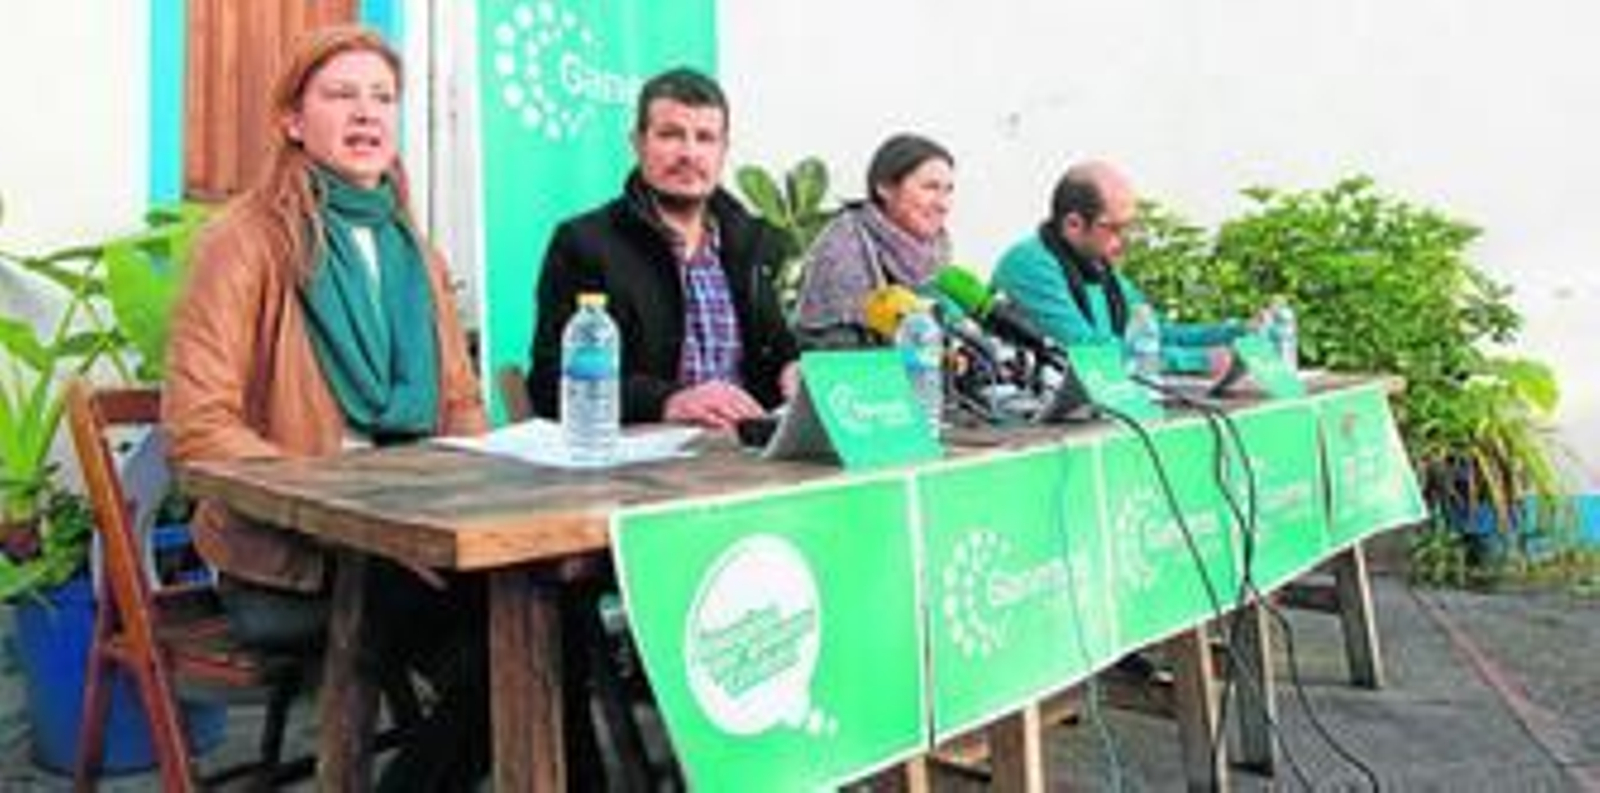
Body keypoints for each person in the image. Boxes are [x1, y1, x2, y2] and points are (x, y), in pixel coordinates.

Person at [163, 26, 489, 790]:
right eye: (341, 94)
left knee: (549, 619)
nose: (367, 112)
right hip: (291, 559)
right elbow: (200, 429)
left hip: (418, 538)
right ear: (292, 119)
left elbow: (459, 403)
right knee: (507, 641)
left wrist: (474, 496)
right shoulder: (243, 242)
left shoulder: (415, 253)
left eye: (382, 97)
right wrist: (361, 514)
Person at [527, 67, 799, 431]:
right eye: (671, 135)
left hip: (747, 449)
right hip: (644, 456)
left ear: (723, 150)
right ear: (638, 143)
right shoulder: (584, 243)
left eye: (705, 138)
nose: (689, 153)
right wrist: (667, 401)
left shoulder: (753, 243)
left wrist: (793, 370)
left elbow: (780, 353)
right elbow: (550, 385)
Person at [991, 160, 1240, 372]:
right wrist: (1199, 361)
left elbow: (1156, 334)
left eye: (1130, 227)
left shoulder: (1097, 266)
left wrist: (1237, 332)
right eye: (1114, 228)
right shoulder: (1029, 266)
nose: (1125, 241)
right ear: (1073, 224)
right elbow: (1090, 353)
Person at [793, 133, 955, 349]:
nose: (943, 204)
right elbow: (833, 353)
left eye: (948, 190)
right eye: (930, 187)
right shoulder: (844, 248)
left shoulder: (937, 252)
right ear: (885, 187)